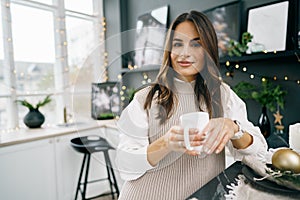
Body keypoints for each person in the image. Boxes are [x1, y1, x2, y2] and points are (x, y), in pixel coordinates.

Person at [115, 10, 267, 200]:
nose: (184, 53)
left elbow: (260, 154)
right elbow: (125, 166)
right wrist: (166, 143)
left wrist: (234, 127)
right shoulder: (145, 98)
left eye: (196, 44)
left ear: (208, 50)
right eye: (177, 44)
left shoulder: (222, 95)